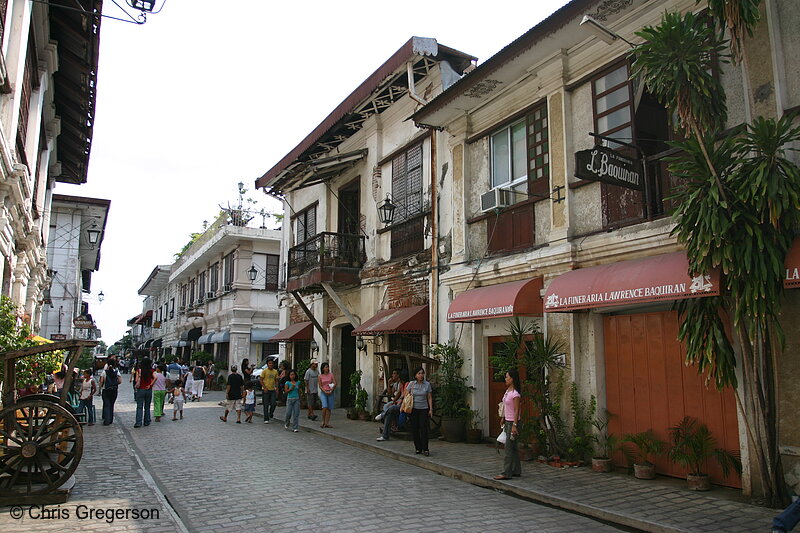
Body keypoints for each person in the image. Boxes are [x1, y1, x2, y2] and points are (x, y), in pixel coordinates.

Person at [494, 369, 522, 480]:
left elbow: (516, 410)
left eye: (507, 377)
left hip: (513, 423)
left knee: (508, 449)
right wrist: (503, 418)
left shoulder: (515, 394)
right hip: (507, 421)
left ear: (512, 379)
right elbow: (505, 406)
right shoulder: (507, 392)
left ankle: (506, 472)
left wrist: (514, 425)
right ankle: (516, 470)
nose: (505, 379)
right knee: (514, 448)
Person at [376, 369, 409, 442]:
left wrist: (399, 402)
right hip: (399, 403)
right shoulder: (401, 385)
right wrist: (394, 401)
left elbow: (406, 397)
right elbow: (398, 394)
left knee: (391, 408)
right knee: (389, 411)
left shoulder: (407, 385)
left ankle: (382, 415)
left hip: (405, 405)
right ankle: (385, 436)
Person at [407, 367, 433, 456]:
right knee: (415, 429)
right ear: (415, 375)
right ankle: (418, 448)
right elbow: (406, 395)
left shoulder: (427, 384)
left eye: (422, 373)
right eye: (419, 373)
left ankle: (425, 449)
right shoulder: (411, 384)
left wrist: (431, 409)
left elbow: (429, 397)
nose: (421, 375)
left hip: (424, 409)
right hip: (413, 409)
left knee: (423, 429)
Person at [133, 358, 154, 428]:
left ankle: (138, 422)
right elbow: (155, 377)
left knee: (139, 406)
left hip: (141, 389)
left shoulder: (139, 370)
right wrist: (150, 385)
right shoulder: (151, 370)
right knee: (147, 407)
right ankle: (146, 421)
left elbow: (136, 380)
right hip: (148, 390)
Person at [99, 359, 121, 425]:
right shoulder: (117, 372)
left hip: (106, 390)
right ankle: (110, 419)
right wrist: (114, 383)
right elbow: (120, 381)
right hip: (114, 390)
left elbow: (101, 381)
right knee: (111, 405)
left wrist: (100, 389)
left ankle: (107, 420)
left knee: (106, 405)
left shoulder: (104, 372)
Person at [259, 358, 278, 424]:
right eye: (269, 363)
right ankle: (266, 418)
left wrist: (277, 388)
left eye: (272, 363)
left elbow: (276, 380)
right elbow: (261, 380)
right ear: (267, 364)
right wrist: (264, 388)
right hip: (266, 390)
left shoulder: (275, 371)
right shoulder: (264, 371)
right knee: (266, 404)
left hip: (272, 390)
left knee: (273, 404)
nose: (271, 364)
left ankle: (271, 413)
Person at [318, 361, 336, 428]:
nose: (327, 368)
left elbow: (335, 383)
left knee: (329, 408)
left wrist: (331, 390)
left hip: (330, 392)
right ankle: (323, 421)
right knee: (325, 406)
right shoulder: (320, 376)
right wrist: (324, 391)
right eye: (326, 367)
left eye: (328, 367)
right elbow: (320, 385)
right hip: (324, 392)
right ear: (323, 368)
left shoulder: (331, 375)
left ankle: (327, 423)